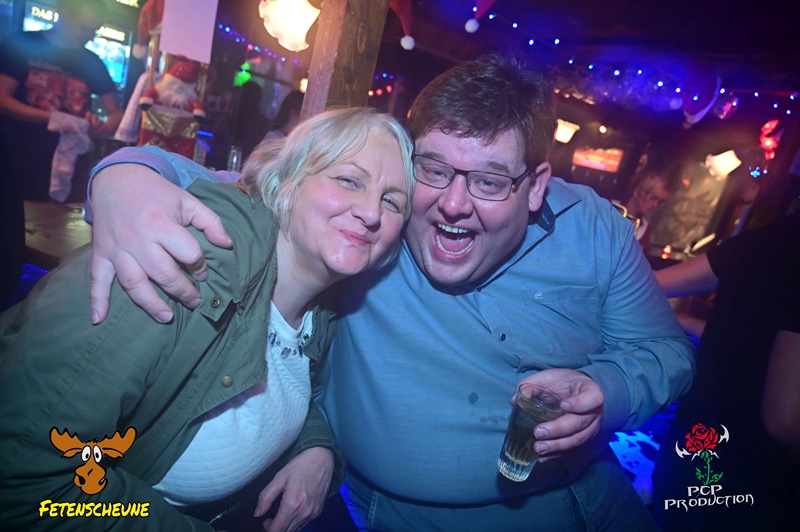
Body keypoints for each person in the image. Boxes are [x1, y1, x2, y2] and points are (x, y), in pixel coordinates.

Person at [83, 54, 695, 530]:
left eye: (489, 181)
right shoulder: (372, 226)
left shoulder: (593, 230)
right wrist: (124, 178)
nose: (453, 204)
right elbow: (250, 182)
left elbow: (667, 352)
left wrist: (607, 390)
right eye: (434, 170)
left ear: (536, 186)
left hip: (580, 509)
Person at [0, 107, 415, 531]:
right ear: (290, 178)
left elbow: (281, 381)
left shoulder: (323, 305)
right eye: (349, 180)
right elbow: (25, 487)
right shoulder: (182, 266)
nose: (371, 213)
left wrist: (316, 447)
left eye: (392, 201)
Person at [651, 211, 800, 530]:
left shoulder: (771, 236)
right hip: (755, 489)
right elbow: (784, 422)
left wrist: (684, 321)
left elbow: (651, 284)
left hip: (687, 456)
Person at [0, 0, 123, 311]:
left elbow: (114, 115)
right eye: (88, 25)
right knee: (11, 248)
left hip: (71, 175)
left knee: (58, 257)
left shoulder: (92, 61)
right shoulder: (21, 44)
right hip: (17, 165)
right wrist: (51, 117)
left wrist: (99, 124)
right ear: (67, 10)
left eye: (96, 28)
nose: (92, 33)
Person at [613, 170, 673, 249]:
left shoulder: (645, 228)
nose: (655, 204)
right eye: (652, 198)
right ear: (637, 190)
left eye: (659, 202)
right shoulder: (609, 206)